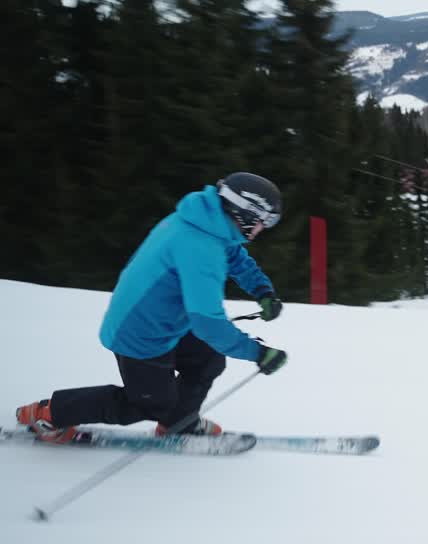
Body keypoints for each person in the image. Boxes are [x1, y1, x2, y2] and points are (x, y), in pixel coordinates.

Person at [14, 172, 290, 443]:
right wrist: (258, 352)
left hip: (169, 323)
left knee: (207, 361)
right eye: (263, 221)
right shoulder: (201, 248)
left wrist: (262, 291)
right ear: (245, 213)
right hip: (140, 332)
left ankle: (178, 424)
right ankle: (50, 413)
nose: (263, 228)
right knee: (149, 403)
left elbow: (236, 257)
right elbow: (208, 323)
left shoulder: (209, 223)